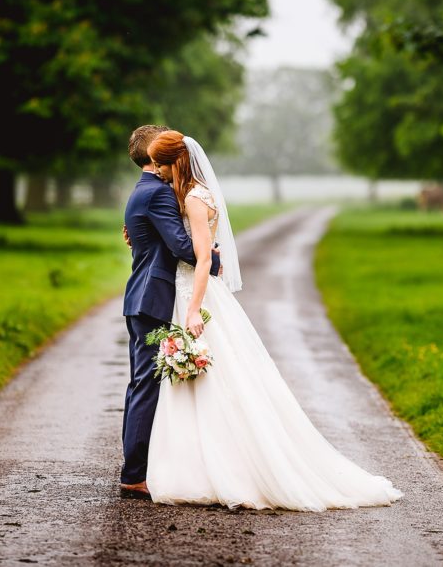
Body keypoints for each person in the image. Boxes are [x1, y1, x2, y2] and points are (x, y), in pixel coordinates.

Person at [143, 130, 403, 510]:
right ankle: (197, 469)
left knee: (217, 382)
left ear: (175, 163)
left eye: (161, 165)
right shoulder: (192, 195)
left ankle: (229, 471)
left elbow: (201, 259)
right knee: (203, 384)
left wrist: (194, 309)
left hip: (195, 294)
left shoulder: (196, 200)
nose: (157, 172)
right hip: (189, 291)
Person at [119, 125, 223, 500]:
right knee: (146, 385)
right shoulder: (161, 194)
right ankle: (134, 475)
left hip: (142, 297)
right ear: (154, 158)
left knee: (140, 384)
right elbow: (183, 246)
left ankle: (138, 469)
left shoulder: (141, 192)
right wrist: (214, 259)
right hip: (154, 297)